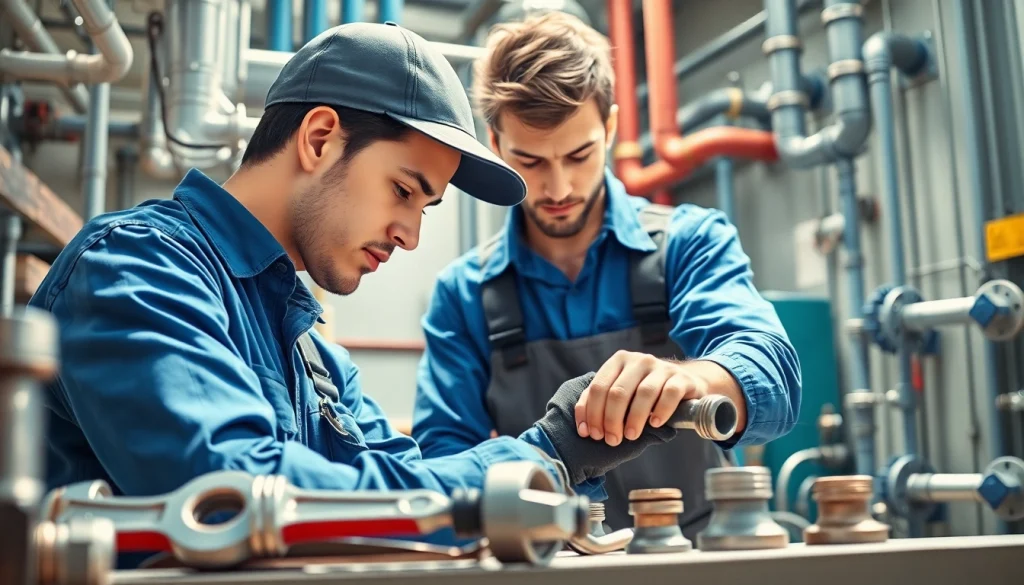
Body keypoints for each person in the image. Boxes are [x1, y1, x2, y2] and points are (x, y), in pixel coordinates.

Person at [30, 22, 677, 550]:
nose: (410, 236)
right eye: (403, 190)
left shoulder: (312, 356)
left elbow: (409, 490)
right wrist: (537, 462)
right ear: (318, 138)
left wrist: (554, 449)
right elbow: (236, 494)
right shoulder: (137, 270)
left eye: (424, 208)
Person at [411, 12, 802, 539]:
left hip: (693, 562)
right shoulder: (464, 296)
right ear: (496, 145)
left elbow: (774, 381)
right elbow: (445, 469)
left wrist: (685, 380)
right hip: (547, 567)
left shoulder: (689, 242)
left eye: (579, 154)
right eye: (530, 160)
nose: (557, 187)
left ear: (611, 128)